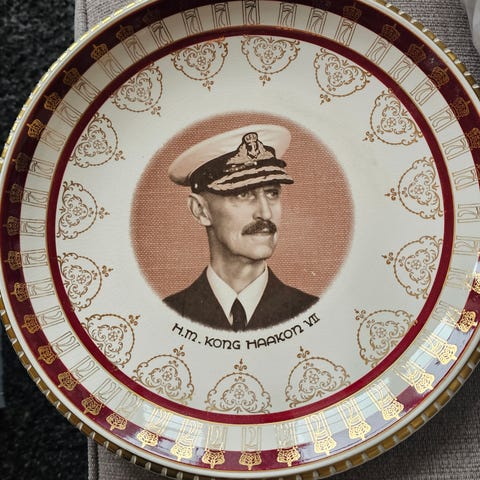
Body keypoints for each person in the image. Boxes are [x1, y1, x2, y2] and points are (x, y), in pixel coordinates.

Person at [164, 124, 318, 331]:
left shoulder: (313, 313)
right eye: (243, 194)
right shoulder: (166, 315)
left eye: (272, 193)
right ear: (200, 210)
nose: (265, 213)